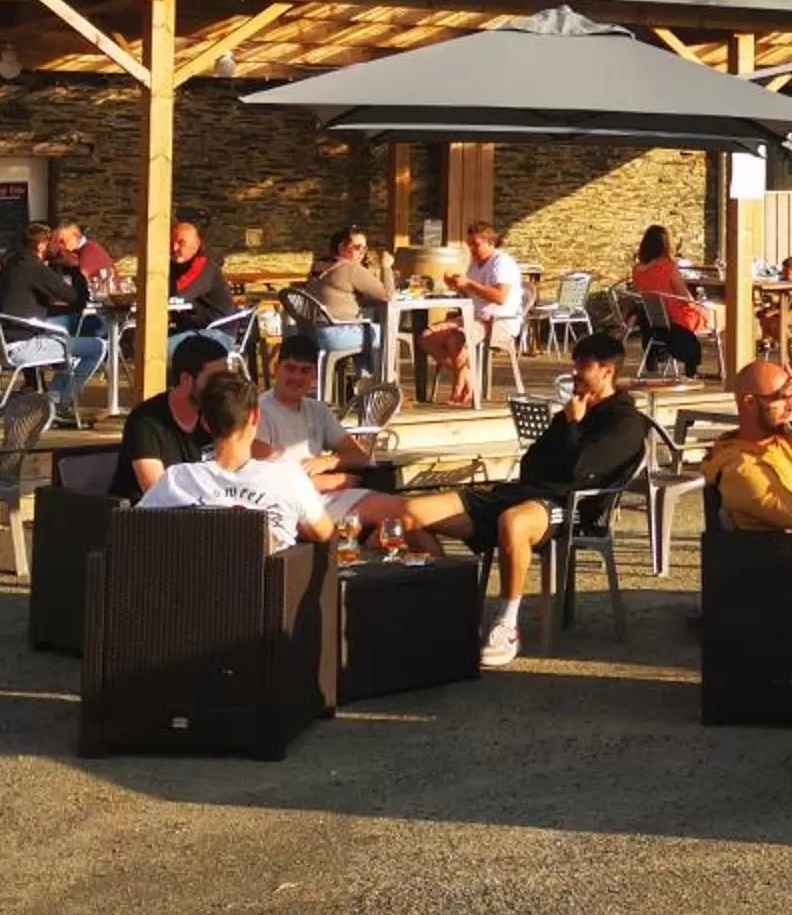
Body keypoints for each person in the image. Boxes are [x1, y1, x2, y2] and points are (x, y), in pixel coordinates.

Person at [394, 330, 648, 668]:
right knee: (410, 514)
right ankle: (453, 609)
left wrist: (573, 425)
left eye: (582, 366)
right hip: (523, 493)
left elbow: (579, 471)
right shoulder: (574, 407)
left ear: (606, 371)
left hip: (569, 507)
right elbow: (532, 464)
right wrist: (568, 425)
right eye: (574, 365)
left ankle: (507, 623)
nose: (574, 372)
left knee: (513, 522)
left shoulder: (624, 421)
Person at [135, 372, 338, 549]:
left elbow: (132, 530)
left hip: (188, 589)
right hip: (268, 590)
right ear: (256, 418)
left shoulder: (177, 479)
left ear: (205, 423)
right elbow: (326, 535)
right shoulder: (288, 477)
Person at [700, 358, 792, 536]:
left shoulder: (773, 441)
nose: (790, 406)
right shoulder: (742, 470)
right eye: (781, 398)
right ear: (749, 402)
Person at [256, 333, 381, 525]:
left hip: (323, 499)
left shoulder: (317, 409)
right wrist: (331, 481)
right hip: (284, 508)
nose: (297, 376)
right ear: (275, 369)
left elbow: (360, 455)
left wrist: (328, 461)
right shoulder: (258, 411)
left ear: (314, 376)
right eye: (290, 368)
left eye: (305, 371)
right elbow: (262, 479)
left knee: (407, 522)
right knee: (400, 512)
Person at [0, 223, 105, 417]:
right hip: (23, 347)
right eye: (54, 243)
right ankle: (58, 402)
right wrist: (75, 269)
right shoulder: (34, 267)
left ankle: (52, 400)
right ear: (42, 246)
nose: (58, 248)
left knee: (60, 338)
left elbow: (35, 298)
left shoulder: (10, 265)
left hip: (0, 346)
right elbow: (77, 300)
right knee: (97, 347)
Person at [416, 220, 523, 409]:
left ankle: (459, 389)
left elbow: (499, 297)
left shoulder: (502, 262)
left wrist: (468, 284)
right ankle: (466, 374)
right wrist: (458, 287)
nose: (472, 249)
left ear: (490, 242)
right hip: (472, 317)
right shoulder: (475, 264)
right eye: (469, 244)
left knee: (455, 339)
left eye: (476, 244)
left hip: (498, 321)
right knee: (426, 338)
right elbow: (473, 294)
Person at [116, 333, 231, 504]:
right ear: (186, 379)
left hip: (208, 514)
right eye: (214, 380)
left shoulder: (219, 414)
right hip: (149, 520)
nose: (223, 387)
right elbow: (157, 492)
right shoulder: (146, 421)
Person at [629, 225, 717, 376]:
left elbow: (639, 291)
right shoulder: (668, 266)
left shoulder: (637, 269)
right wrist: (698, 304)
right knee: (716, 314)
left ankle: (656, 355)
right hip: (674, 316)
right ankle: (723, 366)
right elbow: (683, 294)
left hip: (652, 317)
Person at [303, 225, 392, 369]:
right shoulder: (351, 268)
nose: (362, 252)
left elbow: (337, 292)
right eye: (357, 247)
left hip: (312, 333)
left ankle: (362, 380)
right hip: (335, 335)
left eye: (365, 248)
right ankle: (375, 383)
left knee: (365, 329)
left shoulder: (318, 265)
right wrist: (386, 267)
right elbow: (387, 295)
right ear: (341, 247)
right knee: (386, 333)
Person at [167, 220, 237, 330]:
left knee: (156, 346)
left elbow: (180, 293)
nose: (174, 248)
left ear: (196, 245)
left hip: (214, 332)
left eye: (181, 243)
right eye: (171, 243)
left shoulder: (203, 265)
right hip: (189, 328)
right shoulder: (173, 264)